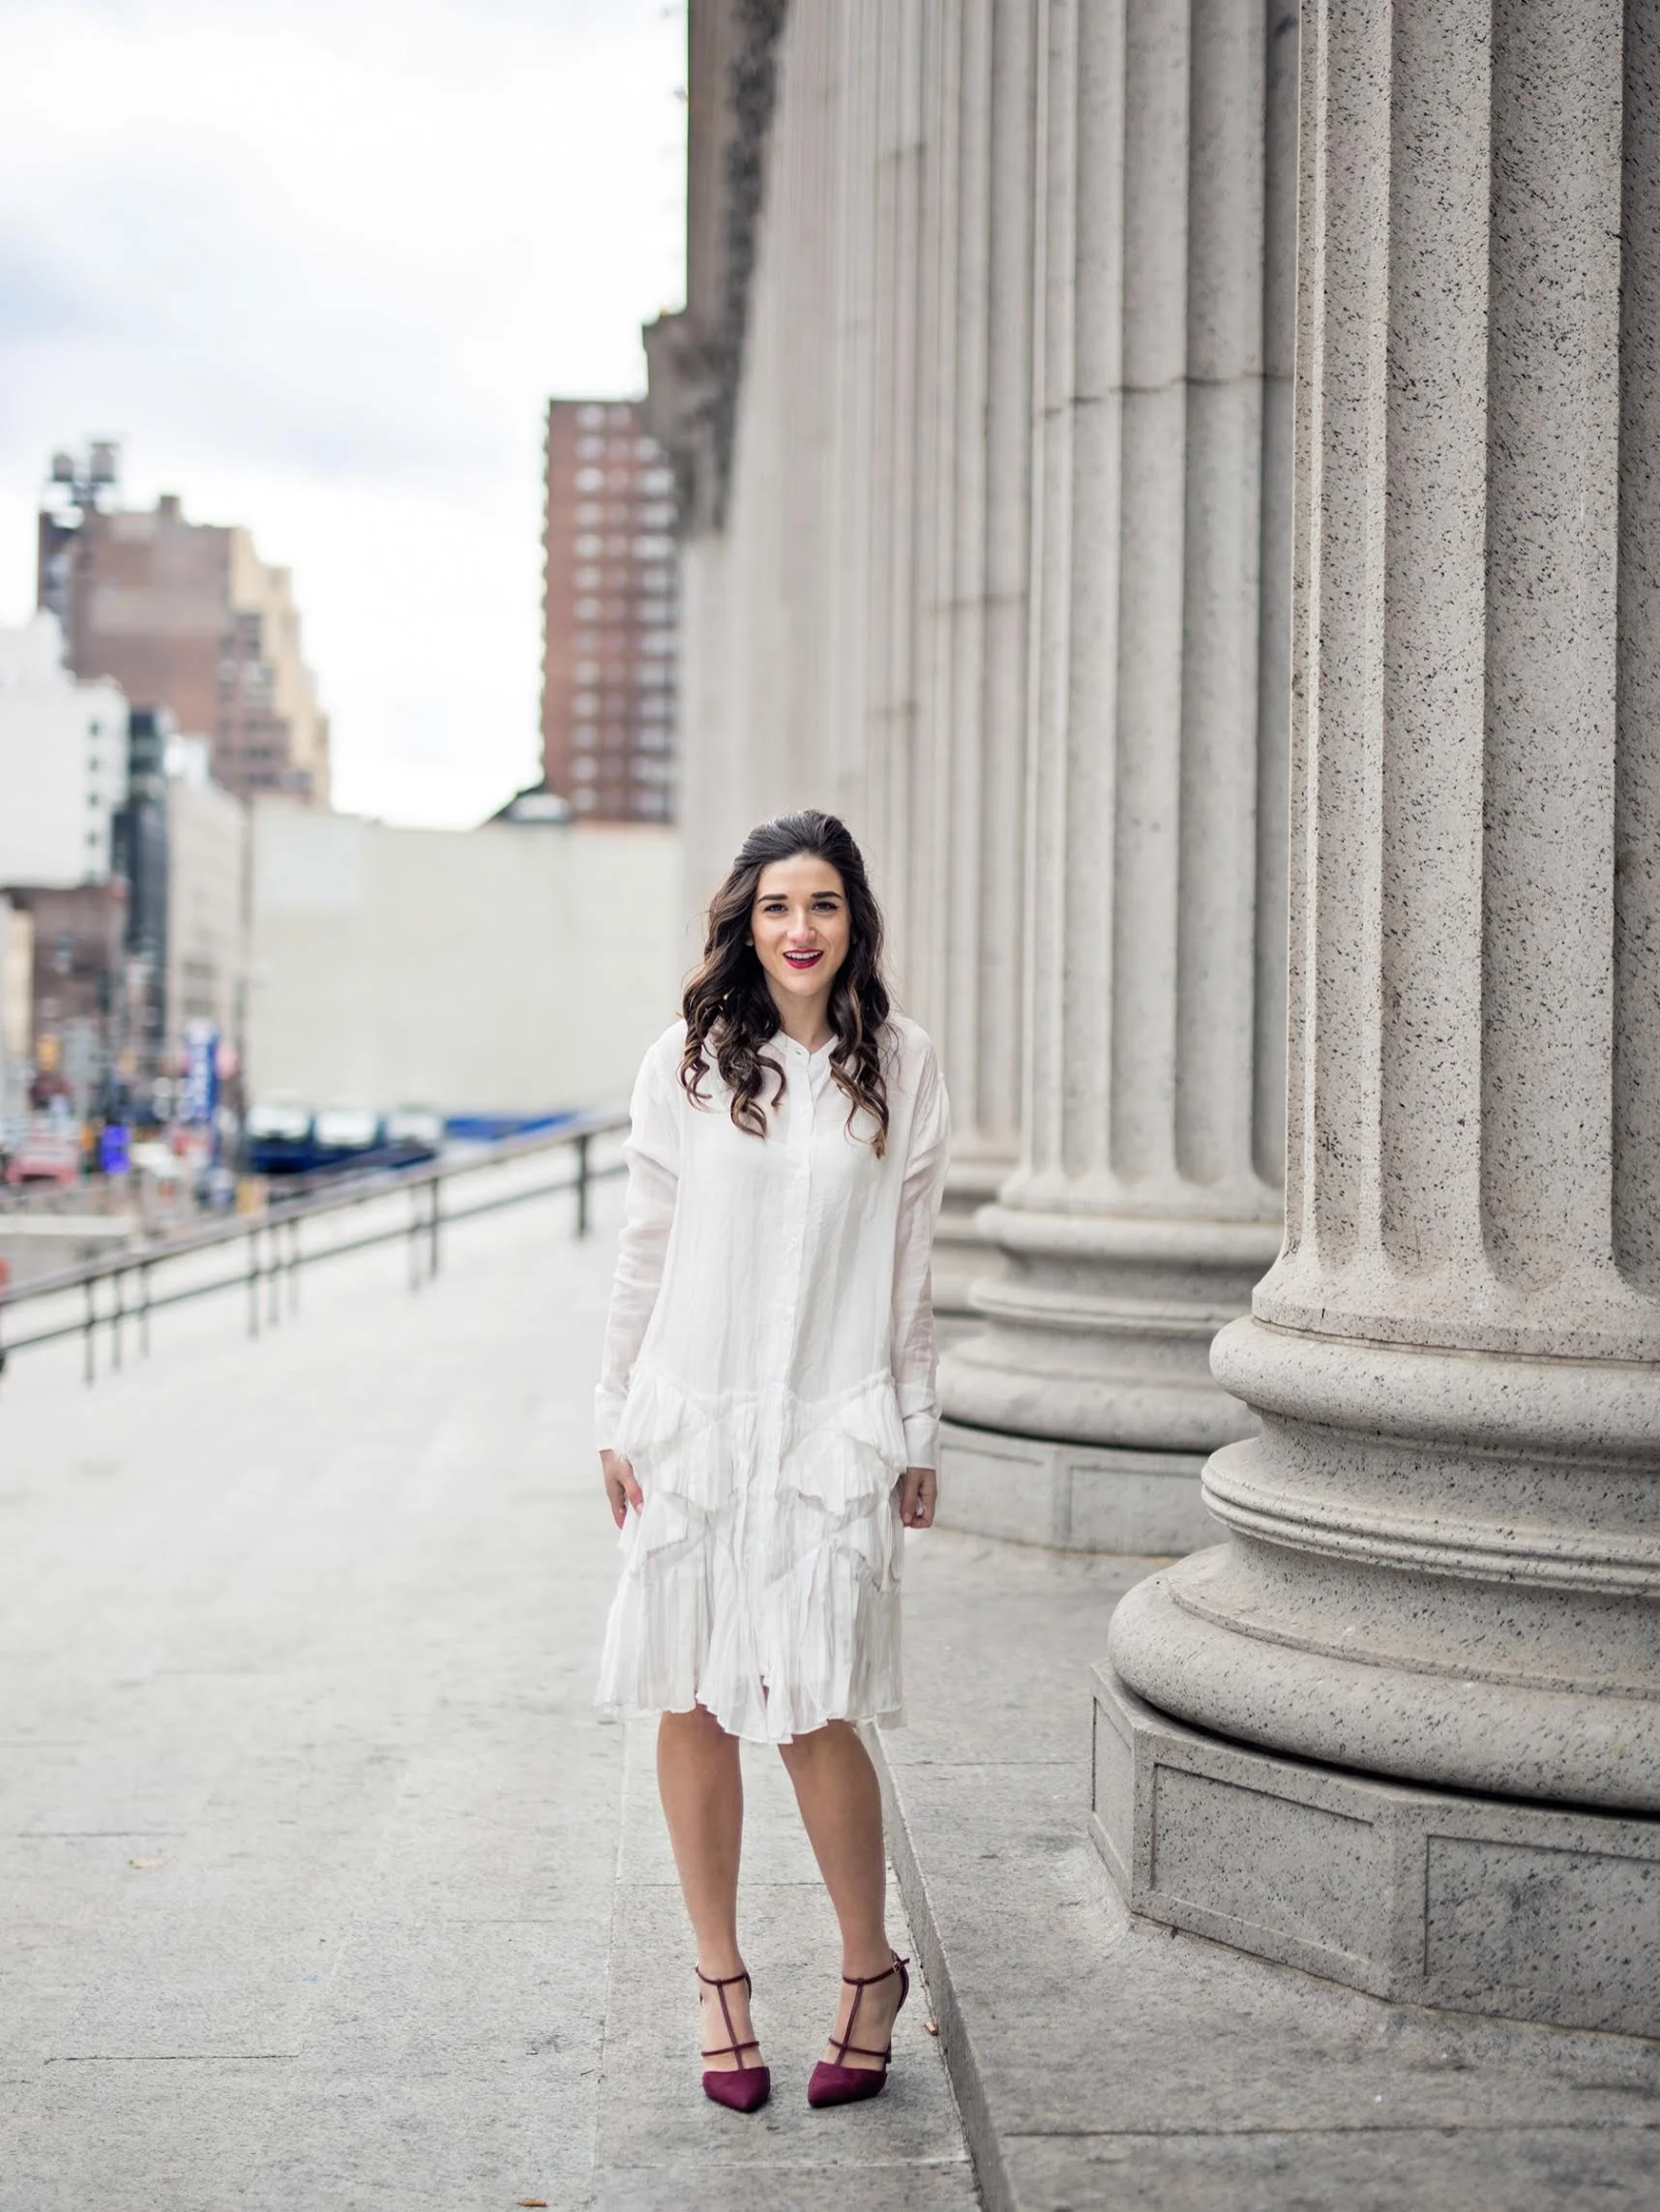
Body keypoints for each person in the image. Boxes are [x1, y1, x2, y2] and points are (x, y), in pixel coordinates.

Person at [595, 809, 951, 2115]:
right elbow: (644, 1244)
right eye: (776, 908)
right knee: (689, 1694)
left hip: (828, 1420)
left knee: (813, 1704)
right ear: (745, 926)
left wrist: (917, 1429)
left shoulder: (901, 1067)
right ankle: (719, 1981)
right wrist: (613, 1409)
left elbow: (910, 1265)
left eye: (824, 906)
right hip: (694, 1419)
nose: (800, 930)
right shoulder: (685, 1068)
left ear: (854, 921)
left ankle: (869, 1971)